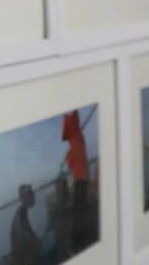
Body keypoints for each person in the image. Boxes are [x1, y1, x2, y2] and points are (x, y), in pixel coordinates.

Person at [62, 110, 92, 252]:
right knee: (81, 210)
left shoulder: (75, 139)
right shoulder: (79, 138)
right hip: (83, 178)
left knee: (77, 212)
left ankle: (77, 243)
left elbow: (71, 164)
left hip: (80, 179)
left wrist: (68, 156)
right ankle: (81, 240)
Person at [10, 184, 41, 265]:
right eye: (30, 194)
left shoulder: (22, 212)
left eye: (32, 193)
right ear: (22, 199)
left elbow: (29, 233)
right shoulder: (21, 215)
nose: (33, 195)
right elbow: (22, 239)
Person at [48, 176, 74, 260]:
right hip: (61, 237)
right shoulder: (53, 209)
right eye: (58, 189)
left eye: (61, 189)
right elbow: (52, 227)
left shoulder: (72, 203)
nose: (59, 191)